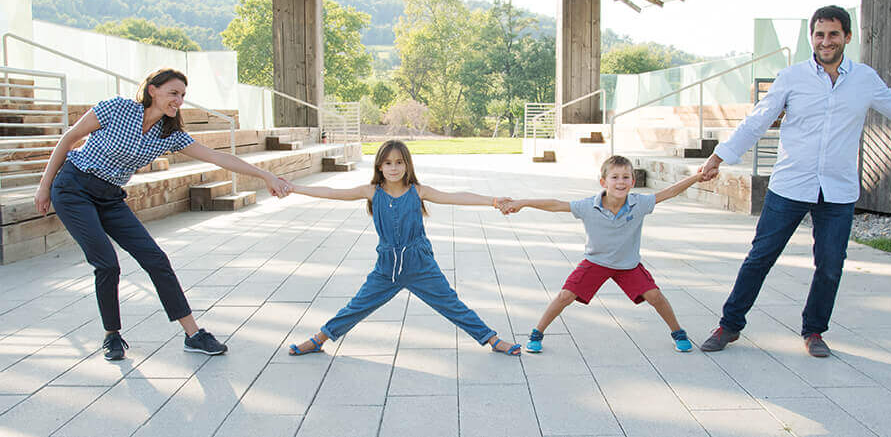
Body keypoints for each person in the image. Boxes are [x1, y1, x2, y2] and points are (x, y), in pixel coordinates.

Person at [698, 5, 891, 357]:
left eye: (833, 34)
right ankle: (729, 326)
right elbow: (758, 121)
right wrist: (719, 157)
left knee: (831, 265)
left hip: (837, 190)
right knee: (760, 257)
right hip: (790, 185)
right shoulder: (792, 78)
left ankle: (814, 331)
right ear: (812, 38)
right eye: (819, 34)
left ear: (847, 37)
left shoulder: (864, 80)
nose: (825, 41)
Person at [33, 68, 293, 361]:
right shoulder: (117, 108)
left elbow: (219, 157)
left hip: (110, 197)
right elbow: (69, 138)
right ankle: (112, 335)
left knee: (156, 259)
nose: (179, 100)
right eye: (173, 93)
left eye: (182, 95)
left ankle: (193, 334)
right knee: (107, 264)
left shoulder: (169, 134)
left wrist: (265, 176)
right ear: (152, 90)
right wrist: (44, 187)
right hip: (73, 187)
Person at [286, 139, 521, 356]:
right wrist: (294, 188)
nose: (394, 168)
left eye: (399, 162)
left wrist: (492, 201)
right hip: (387, 268)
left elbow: (456, 197)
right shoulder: (371, 192)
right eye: (388, 163)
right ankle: (319, 339)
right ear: (379, 166)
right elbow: (332, 193)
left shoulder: (418, 191)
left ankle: (492, 339)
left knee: (451, 304)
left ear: (407, 165)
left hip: (420, 264)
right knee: (358, 305)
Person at [501, 155, 708, 354]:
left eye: (626, 177)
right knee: (565, 295)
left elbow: (670, 192)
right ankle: (537, 333)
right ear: (603, 182)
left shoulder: (640, 203)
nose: (620, 182)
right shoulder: (588, 206)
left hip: (628, 265)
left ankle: (678, 333)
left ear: (633, 181)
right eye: (615, 177)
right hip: (595, 262)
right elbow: (555, 204)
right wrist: (523, 202)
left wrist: (697, 177)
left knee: (655, 295)